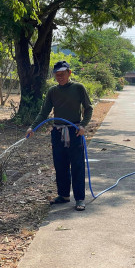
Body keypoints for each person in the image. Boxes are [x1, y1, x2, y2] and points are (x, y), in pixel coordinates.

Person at [26, 61, 93, 211]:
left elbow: (88, 108)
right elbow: (44, 112)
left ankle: (80, 199)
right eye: (57, 75)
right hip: (57, 132)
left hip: (74, 132)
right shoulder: (52, 91)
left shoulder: (78, 88)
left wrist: (83, 125)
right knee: (60, 165)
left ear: (69, 73)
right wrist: (33, 127)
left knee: (77, 166)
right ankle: (63, 195)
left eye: (62, 74)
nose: (60, 77)